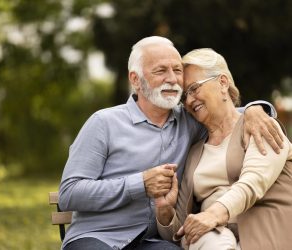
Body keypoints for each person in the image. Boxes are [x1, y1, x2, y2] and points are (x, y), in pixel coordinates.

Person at [58, 36, 282, 250]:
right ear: (135, 79)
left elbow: (228, 114)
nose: (173, 79)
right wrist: (140, 184)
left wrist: (257, 109)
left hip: (151, 242)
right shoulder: (103, 123)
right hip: (98, 237)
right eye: (160, 71)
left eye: (177, 70)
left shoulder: (190, 121)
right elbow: (69, 193)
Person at [155, 48, 292, 250]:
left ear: (223, 83)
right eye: (184, 96)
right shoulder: (194, 153)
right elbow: (181, 231)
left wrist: (212, 215)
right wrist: (166, 212)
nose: (190, 101)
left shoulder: (260, 125)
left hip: (265, 238)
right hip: (213, 241)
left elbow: (253, 182)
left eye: (194, 89)